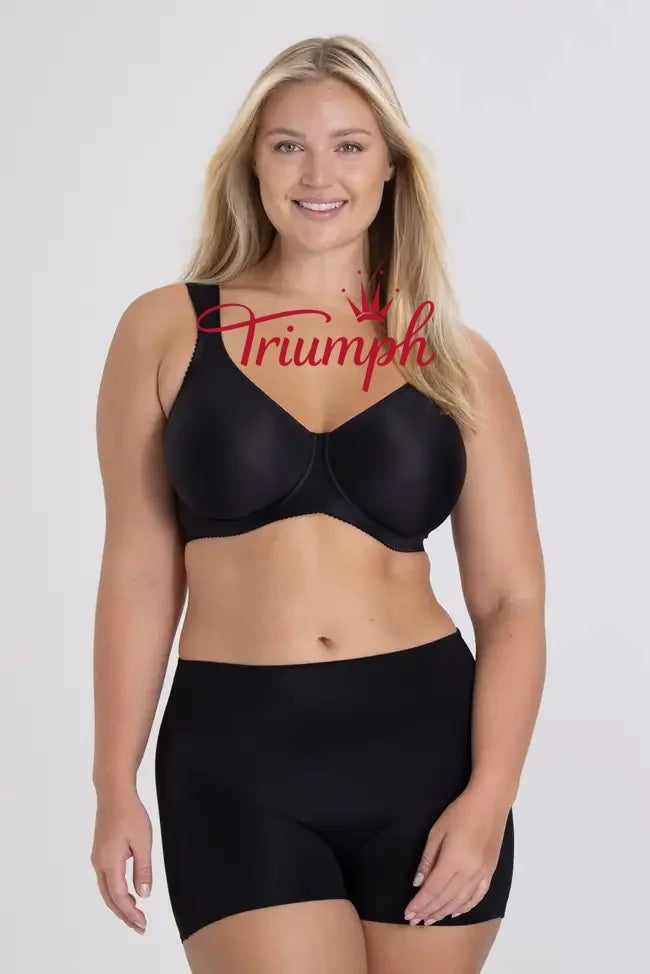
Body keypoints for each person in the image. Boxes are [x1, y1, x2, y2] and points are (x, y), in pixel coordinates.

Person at [90, 34, 546, 974]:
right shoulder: (166, 329)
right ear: (252, 165)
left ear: (390, 168)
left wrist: (490, 794)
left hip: (427, 750)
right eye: (287, 145)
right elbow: (137, 572)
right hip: (236, 758)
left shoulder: (454, 358)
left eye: (348, 145)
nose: (317, 174)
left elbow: (512, 602)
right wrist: (112, 781)